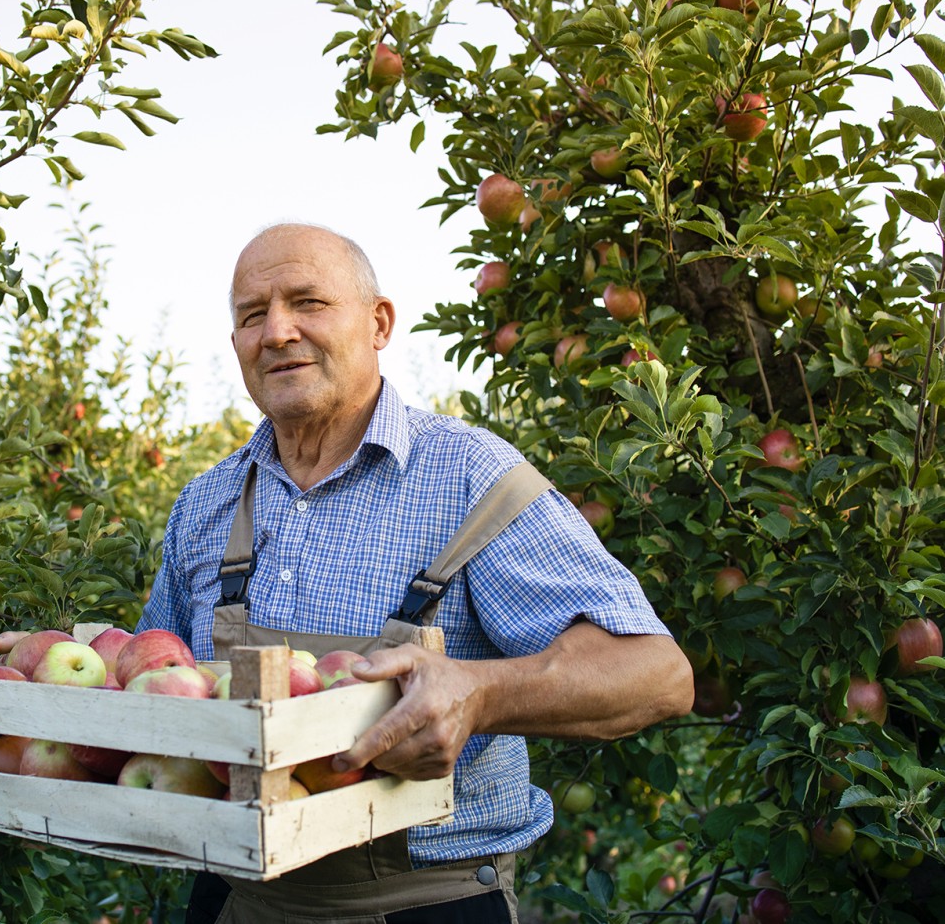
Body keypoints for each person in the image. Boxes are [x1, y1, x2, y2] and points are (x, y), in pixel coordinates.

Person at [135, 223, 694, 924]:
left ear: (378, 324)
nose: (277, 331)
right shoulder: (206, 503)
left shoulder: (472, 479)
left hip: (422, 901)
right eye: (252, 315)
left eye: (307, 302)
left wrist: (479, 694)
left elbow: (657, 674)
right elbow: (151, 683)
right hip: (233, 898)